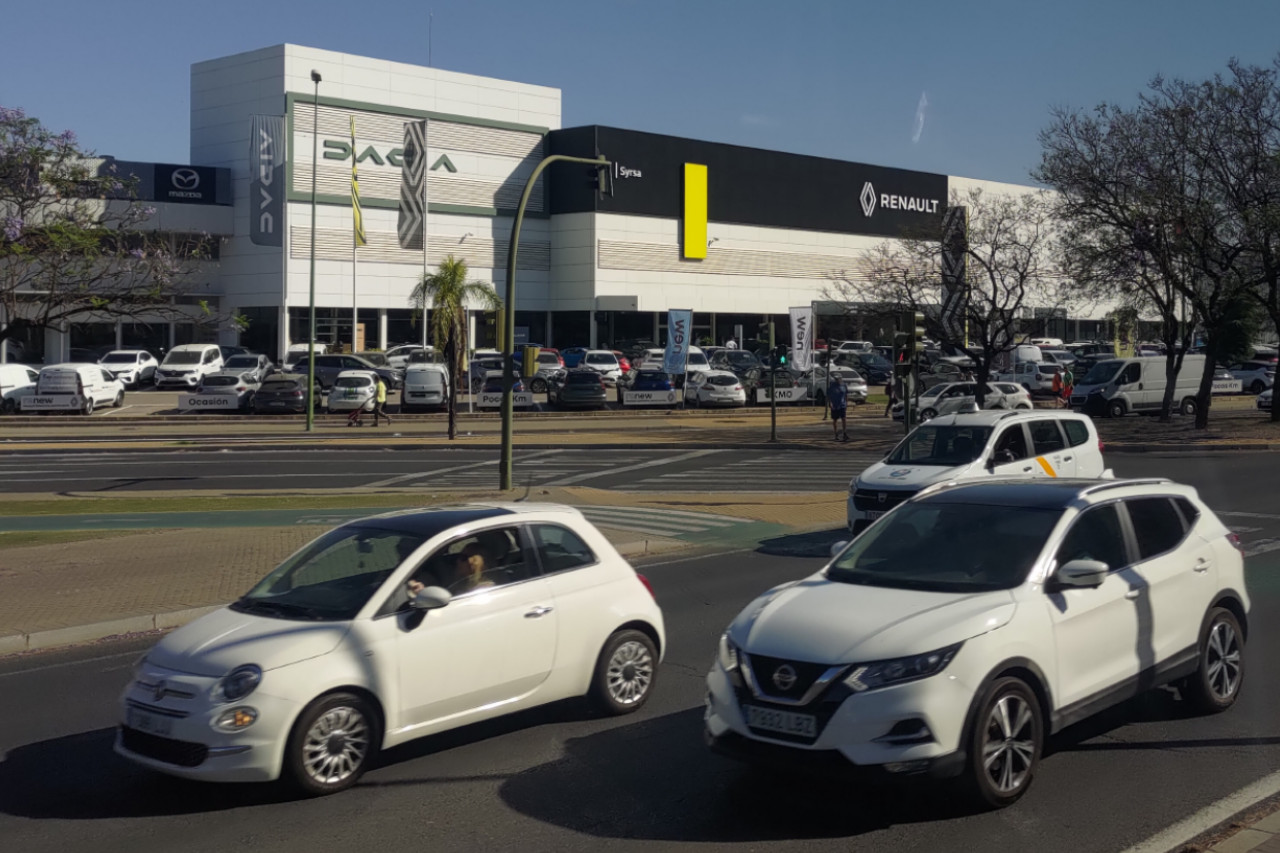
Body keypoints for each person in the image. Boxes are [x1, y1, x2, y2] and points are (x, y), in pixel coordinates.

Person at [827, 374, 849, 441]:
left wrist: (846, 403)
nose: (838, 380)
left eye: (839, 379)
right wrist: (830, 403)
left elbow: (846, 394)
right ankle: (836, 433)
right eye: (836, 379)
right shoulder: (832, 386)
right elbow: (829, 395)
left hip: (842, 404)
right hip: (835, 405)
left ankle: (844, 433)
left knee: (844, 419)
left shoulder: (844, 385)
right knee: (835, 420)